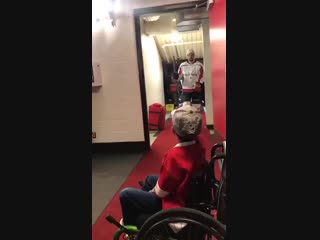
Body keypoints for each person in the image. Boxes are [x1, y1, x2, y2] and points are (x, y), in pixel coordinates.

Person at [119, 105, 207, 226]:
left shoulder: (174, 156)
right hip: (189, 188)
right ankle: (141, 209)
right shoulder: (200, 143)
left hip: (177, 201)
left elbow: (161, 193)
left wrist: (152, 191)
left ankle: (131, 224)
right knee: (150, 179)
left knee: (126, 194)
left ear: (174, 131)